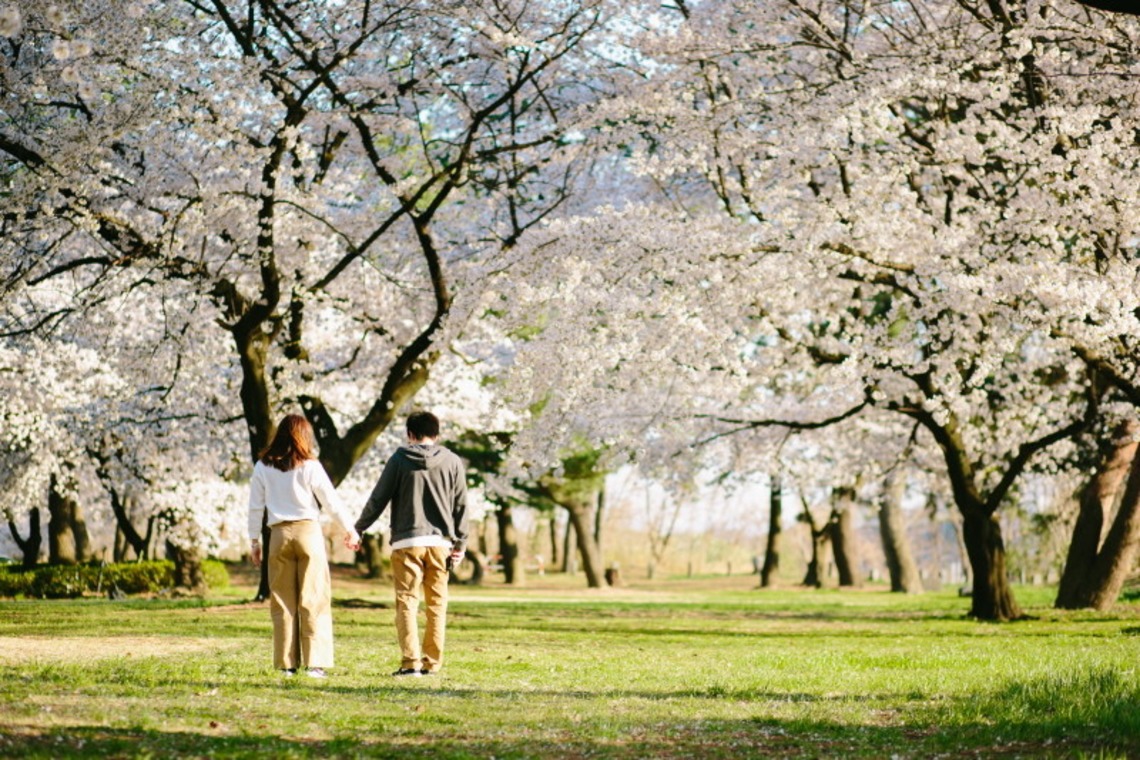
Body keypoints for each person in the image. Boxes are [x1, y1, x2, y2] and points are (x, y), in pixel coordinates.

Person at [351, 411, 469, 677]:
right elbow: (461, 504)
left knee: (407, 602)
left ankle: (410, 664)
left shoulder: (399, 459)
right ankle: (432, 665)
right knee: (437, 605)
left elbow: (378, 498)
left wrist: (359, 528)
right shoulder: (452, 461)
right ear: (436, 434)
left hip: (406, 541)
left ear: (410, 434)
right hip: (440, 544)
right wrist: (460, 543)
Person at [248, 414, 359, 679]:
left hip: (278, 535)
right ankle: (314, 664)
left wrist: (254, 541)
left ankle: (286, 665)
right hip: (308, 533)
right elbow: (330, 501)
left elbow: (255, 507)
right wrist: (349, 529)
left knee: (282, 601)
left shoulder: (263, 466)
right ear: (304, 436)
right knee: (314, 597)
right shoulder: (310, 466)